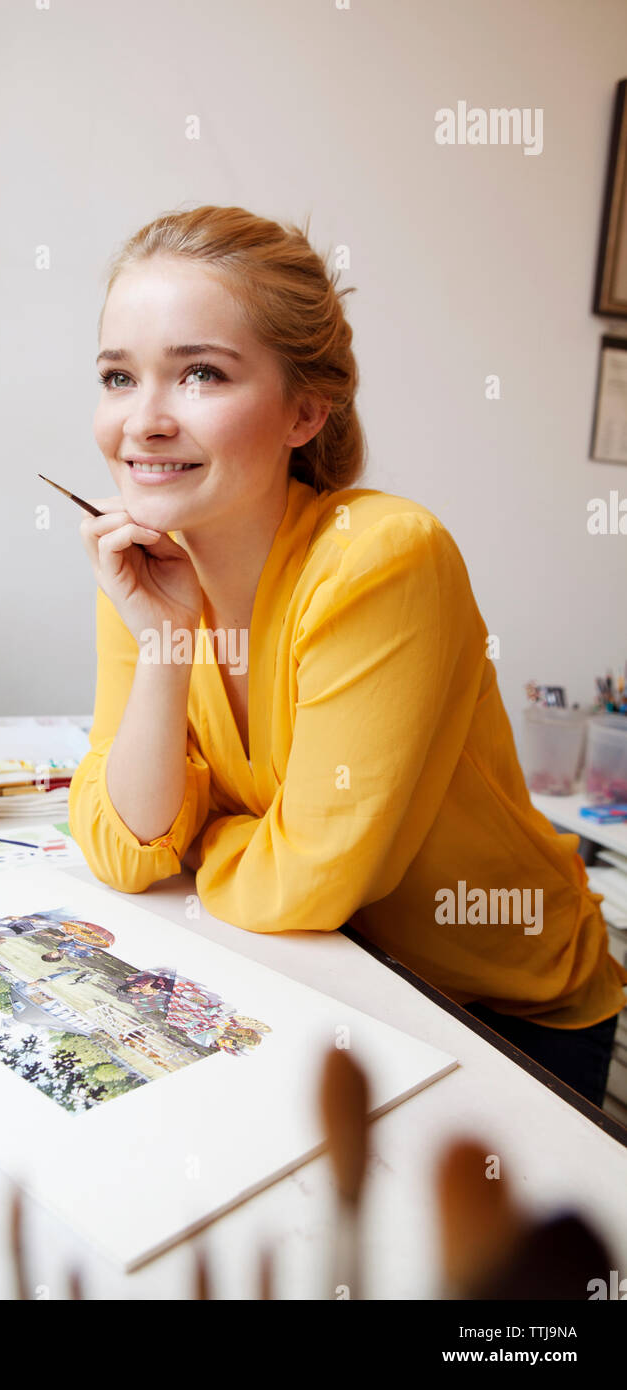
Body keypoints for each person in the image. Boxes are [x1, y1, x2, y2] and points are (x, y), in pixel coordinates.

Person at [67, 203, 627, 1108]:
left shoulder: (382, 558)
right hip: (331, 983)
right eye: (118, 376)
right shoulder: (143, 568)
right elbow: (124, 848)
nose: (145, 420)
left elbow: (309, 883)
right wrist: (165, 644)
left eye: (201, 373)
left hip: (497, 1009)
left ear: (305, 410)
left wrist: (200, 833)